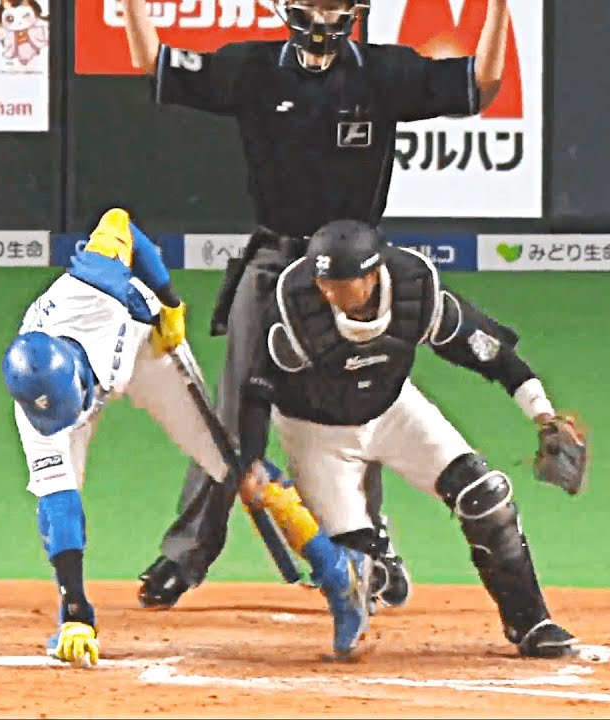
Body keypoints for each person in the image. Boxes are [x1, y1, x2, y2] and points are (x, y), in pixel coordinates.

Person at [123, 0, 516, 610]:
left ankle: (370, 547)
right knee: (233, 414)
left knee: (359, 397)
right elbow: (154, 62)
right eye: (311, 7)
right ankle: (187, 554)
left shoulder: (383, 73)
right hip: (274, 265)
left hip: (357, 270)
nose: (322, 20)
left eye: (334, 8)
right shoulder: (252, 69)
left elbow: (481, 84)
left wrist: (499, 8)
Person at [2, 208, 368, 666]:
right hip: (93, 372)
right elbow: (60, 506)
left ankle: (338, 573)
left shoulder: (91, 289)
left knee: (236, 468)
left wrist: (169, 301)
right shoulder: (35, 404)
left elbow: (119, 221)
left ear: (79, 379)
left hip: (147, 347)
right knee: (58, 495)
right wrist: (76, 612)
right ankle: (73, 619)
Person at [235, 219, 582, 658]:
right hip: (315, 434)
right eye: (322, 282)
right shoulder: (294, 306)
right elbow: (257, 388)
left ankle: (533, 623)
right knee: (355, 573)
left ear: (372, 275)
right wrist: (251, 460)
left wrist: (543, 415)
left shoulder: (415, 289)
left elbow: (490, 354)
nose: (328, 293)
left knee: (486, 497)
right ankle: (374, 553)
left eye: (340, 283)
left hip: (394, 410)